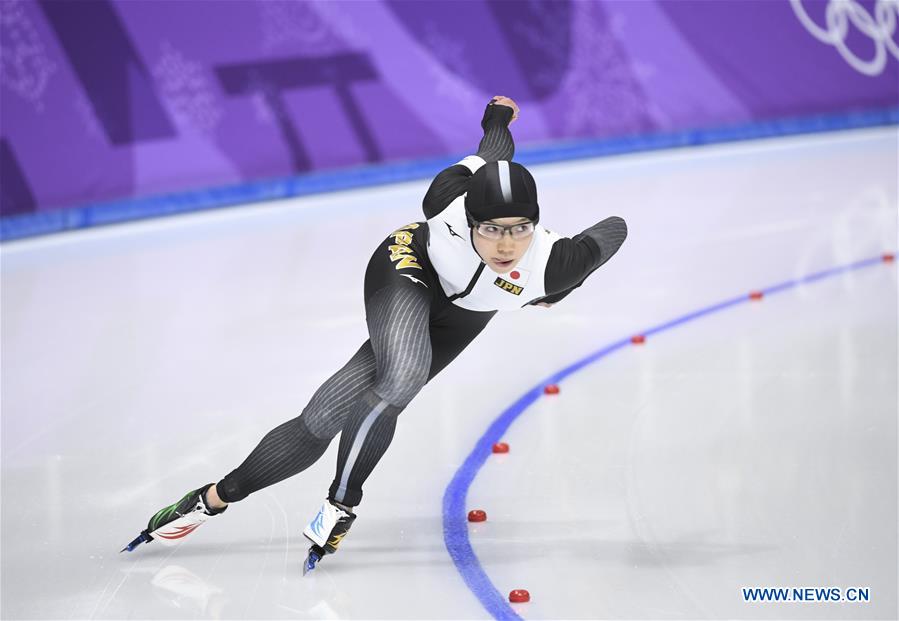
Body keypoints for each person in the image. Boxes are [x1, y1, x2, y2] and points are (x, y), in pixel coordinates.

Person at [121, 96, 628, 573]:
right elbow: (489, 155)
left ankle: (212, 498)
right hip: (408, 267)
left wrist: (567, 285)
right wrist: (497, 117)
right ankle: (342, 504)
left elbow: (616, 228)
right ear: (468, 218)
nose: (505, 243)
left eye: (519, 228)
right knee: (402, 377)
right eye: (491, 229)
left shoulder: (552, 263)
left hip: (467, 314)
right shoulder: (445, 199)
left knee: (320, 419)